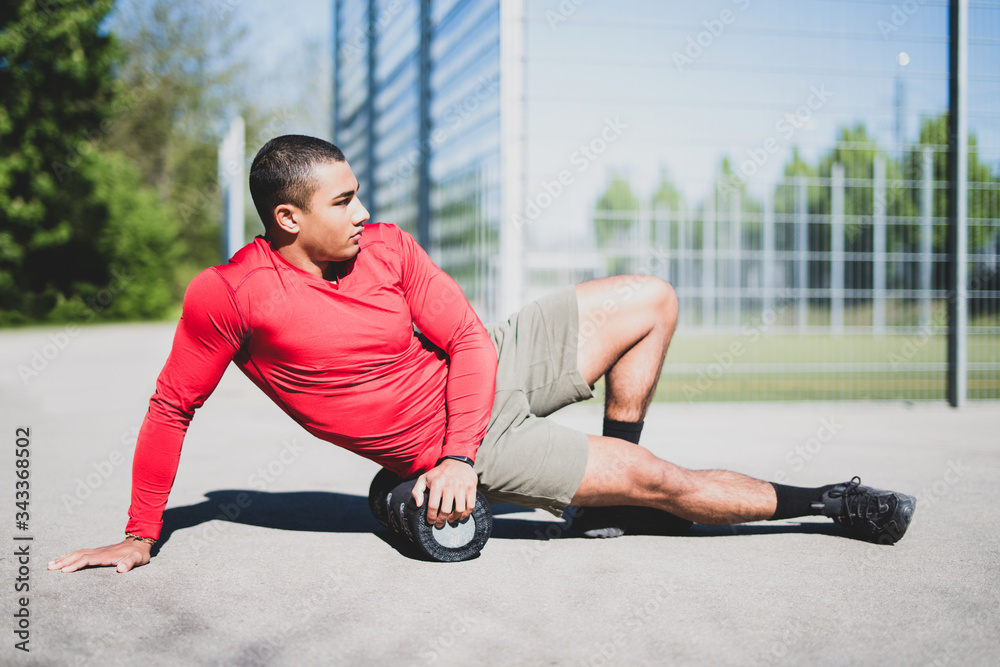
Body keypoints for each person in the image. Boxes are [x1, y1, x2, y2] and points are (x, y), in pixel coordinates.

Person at [48, 135, 916, 574]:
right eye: (342, 201)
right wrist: (138, 532)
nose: (361, 211)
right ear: (288, 218)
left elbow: (467, 339)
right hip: (459, 445)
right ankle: (827, 500)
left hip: (484, 378)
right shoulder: (229, 298)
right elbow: (171, 408)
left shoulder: (385, 246)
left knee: (652, 296)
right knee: (670, 482)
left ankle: (612, 495)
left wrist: (462, 441)